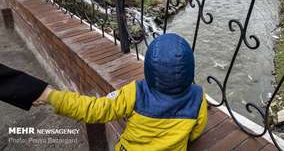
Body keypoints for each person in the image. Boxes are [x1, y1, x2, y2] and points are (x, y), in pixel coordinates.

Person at [36, 33, 207, 151]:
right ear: (190, 68)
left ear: (149, 68)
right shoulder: (198, 99)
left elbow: (94, 110)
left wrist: (52, 96)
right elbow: (195, 133)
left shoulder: (135, 93)